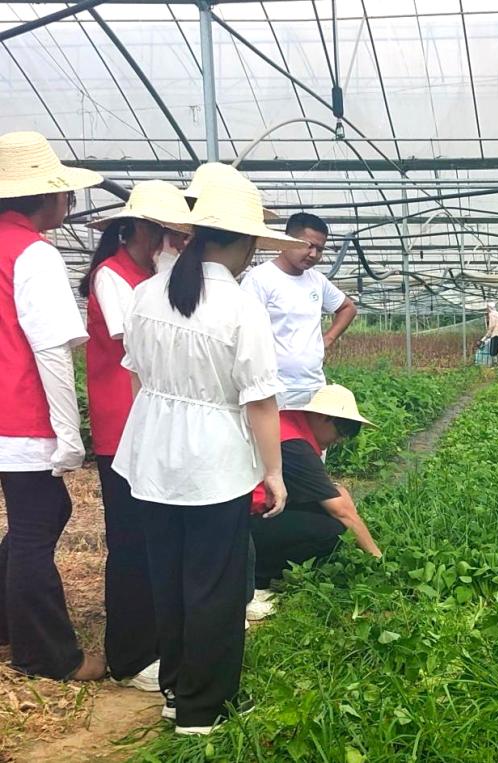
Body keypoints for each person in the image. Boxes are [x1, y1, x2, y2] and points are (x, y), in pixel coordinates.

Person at [113, 165, 303, 735]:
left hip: (152, 456)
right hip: (213, 462)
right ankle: (204, 708)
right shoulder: (240, 306)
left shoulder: (146, 294)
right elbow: (260, 401)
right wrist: (273, 471)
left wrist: (158, 429)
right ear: (244, 243)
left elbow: (136, 377)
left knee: (168, 579)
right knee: (214, 586)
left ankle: (175, 690)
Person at [0, 131, 106, 681]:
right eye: (63, 191)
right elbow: (50, 348)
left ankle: (7, 625)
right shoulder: (33, 252)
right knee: (37, 524)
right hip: (18, 412)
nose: (68, 200)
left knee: (36, 517)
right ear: (43, 195)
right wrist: (68, 433)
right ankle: (46, 655)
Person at [80, 180, 193, 692]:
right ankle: (128, 656)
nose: (173, 243)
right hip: (122, 426)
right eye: (167, 233)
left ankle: (155, 642)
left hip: (151, 423)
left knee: (154, 537)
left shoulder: (146, 277)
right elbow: (142, 342)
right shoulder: (112, 276)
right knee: (129, 541)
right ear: (137, 230)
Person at [250, 385, 381, 590]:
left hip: (241, 515)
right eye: (341, 431)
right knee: (333, 529)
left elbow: (328, 491)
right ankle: (257, 575)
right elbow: (342, 511)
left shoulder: (288, 423)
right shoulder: (294, 445)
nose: (339, 440)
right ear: (321, 416)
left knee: (324, 508)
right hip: (244, 524)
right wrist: (377, 559)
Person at [241, 212, 358, 410]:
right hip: (275, 388)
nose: (314, 254)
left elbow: (348, 308)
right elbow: (244, 331)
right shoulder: (260, 279)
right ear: (287, 241)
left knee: (311, 432)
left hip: (314, 386)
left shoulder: (317, 281)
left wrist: (328, 339)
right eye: (308, 245)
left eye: (320, 249)